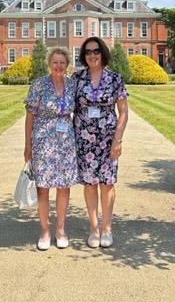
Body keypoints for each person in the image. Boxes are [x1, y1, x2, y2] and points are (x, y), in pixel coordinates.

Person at [72, 36, 128, 248]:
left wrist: (117, 140)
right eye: (88, 52)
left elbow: (123, 112)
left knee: (107, 183)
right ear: (83, 56)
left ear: (102, 53)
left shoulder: (115, 78)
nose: (92, 55)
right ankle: (94, 228)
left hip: (107, 139)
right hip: (84, 139)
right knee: (89, 184)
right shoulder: (77, 78)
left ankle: (107, 228)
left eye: (96, 51)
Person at [24, 47, 79, 251]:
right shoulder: (38, 84)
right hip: (43, 139)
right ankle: (45, 231)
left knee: (64, 185)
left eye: (62, 63)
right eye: (55, 62)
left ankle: (60, 230)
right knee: (43, 187)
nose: (58, 66)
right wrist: (28, 144)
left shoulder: (72, 84)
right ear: (49, 63)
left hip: (65, 140)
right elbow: (30, 116)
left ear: (67, 65)